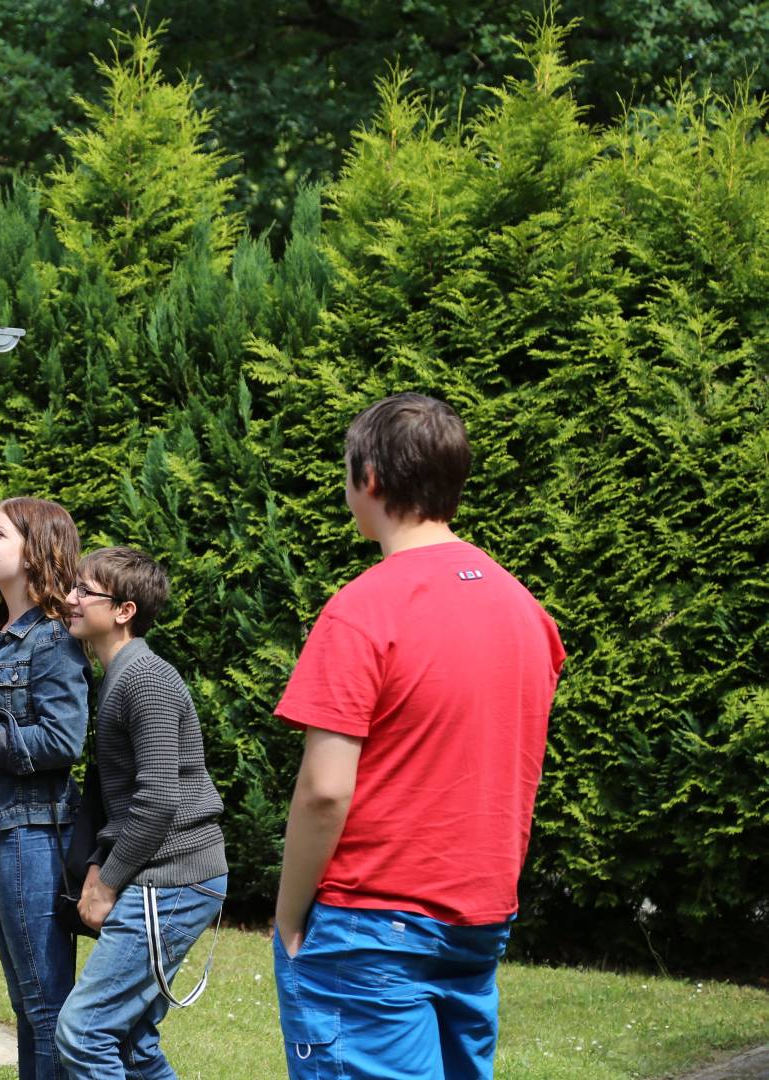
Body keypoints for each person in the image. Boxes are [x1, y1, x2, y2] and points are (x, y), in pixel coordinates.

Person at [271, 393, 565, 1079]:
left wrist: (289, 917)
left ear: (368, 480)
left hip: (368, 925)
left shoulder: (363, 608)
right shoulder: (527, 611)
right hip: (478, 921)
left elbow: (322, 791)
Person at [54, 547, 228, 1079]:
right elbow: (124, 799)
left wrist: (107, 882)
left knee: (83, 1032)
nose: (71, 599)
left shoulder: (145, 679)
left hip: (174, 877)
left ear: (124, 611)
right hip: (161, 875)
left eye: (85, 591)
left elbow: (157, 802)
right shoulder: (122, 676)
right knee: (131, 1044)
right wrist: (95, 870)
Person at [0, 498, 90, 1080]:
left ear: (36, 552)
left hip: (37, 837)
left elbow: (63, 738)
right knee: (28, 1006)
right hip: (5, 834)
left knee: (44, 1006)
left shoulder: (51, 639)